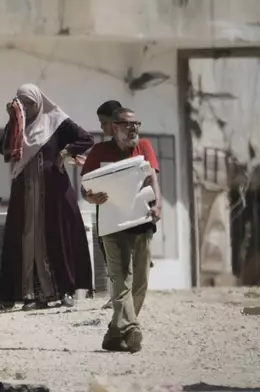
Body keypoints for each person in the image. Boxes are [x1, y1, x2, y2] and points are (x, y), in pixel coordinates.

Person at [0, 83, 94, 310]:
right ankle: (31, 295)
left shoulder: (56, 122)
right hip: (26, 195)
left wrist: (64, 152)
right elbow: (3, 149)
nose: (27, 108)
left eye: (30, 103)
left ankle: (65, 291)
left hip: (54, 195)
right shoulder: (18, 124)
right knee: (27, 241)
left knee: (58, 239)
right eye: (23, 103)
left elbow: (86, 139)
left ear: (38, 102)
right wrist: (13, 124)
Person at [80, 107, 162, 353]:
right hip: (112, 225)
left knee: (140, 281)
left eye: (136, 123)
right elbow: (86, 187)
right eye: (127, 124)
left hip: (142, 221)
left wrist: (158, 203)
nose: (133, 128)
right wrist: (91, 198)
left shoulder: (144, 146)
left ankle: (115, 334)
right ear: (114, 127)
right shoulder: (99, 151)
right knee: (120, 279)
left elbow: (153, 179)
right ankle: (131, 328)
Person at [94, 100, 123, 310]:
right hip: (106, 204)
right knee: (106, 246)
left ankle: (122, 297)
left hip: (124, 205)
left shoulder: (130, 144)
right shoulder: (104, 148)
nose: (102, 128)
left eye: (104, 123)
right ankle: (116, 296)